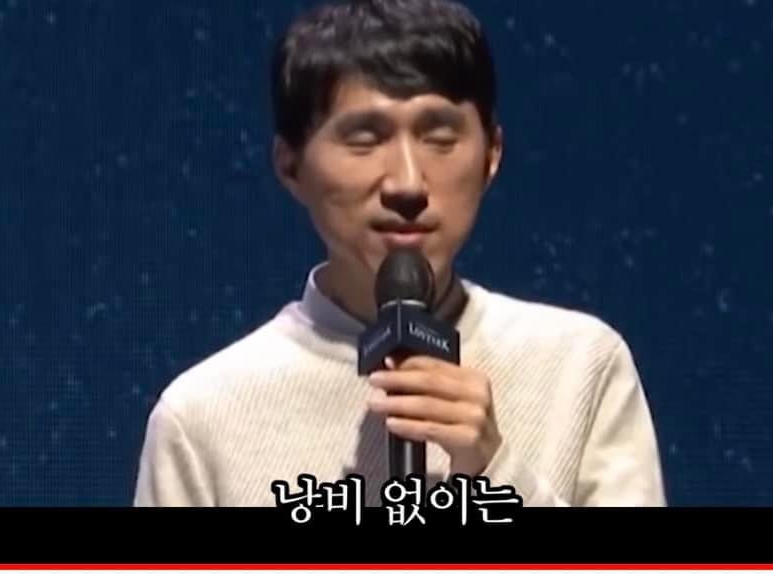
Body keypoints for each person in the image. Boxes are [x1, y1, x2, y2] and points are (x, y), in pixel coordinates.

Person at [133, 0, 666, 507]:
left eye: (440, 137)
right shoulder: (204, 417)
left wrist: (496, 471)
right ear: (290, 165)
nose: (407, 183)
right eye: (364, 140)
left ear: (492, 155)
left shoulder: (580, 366)